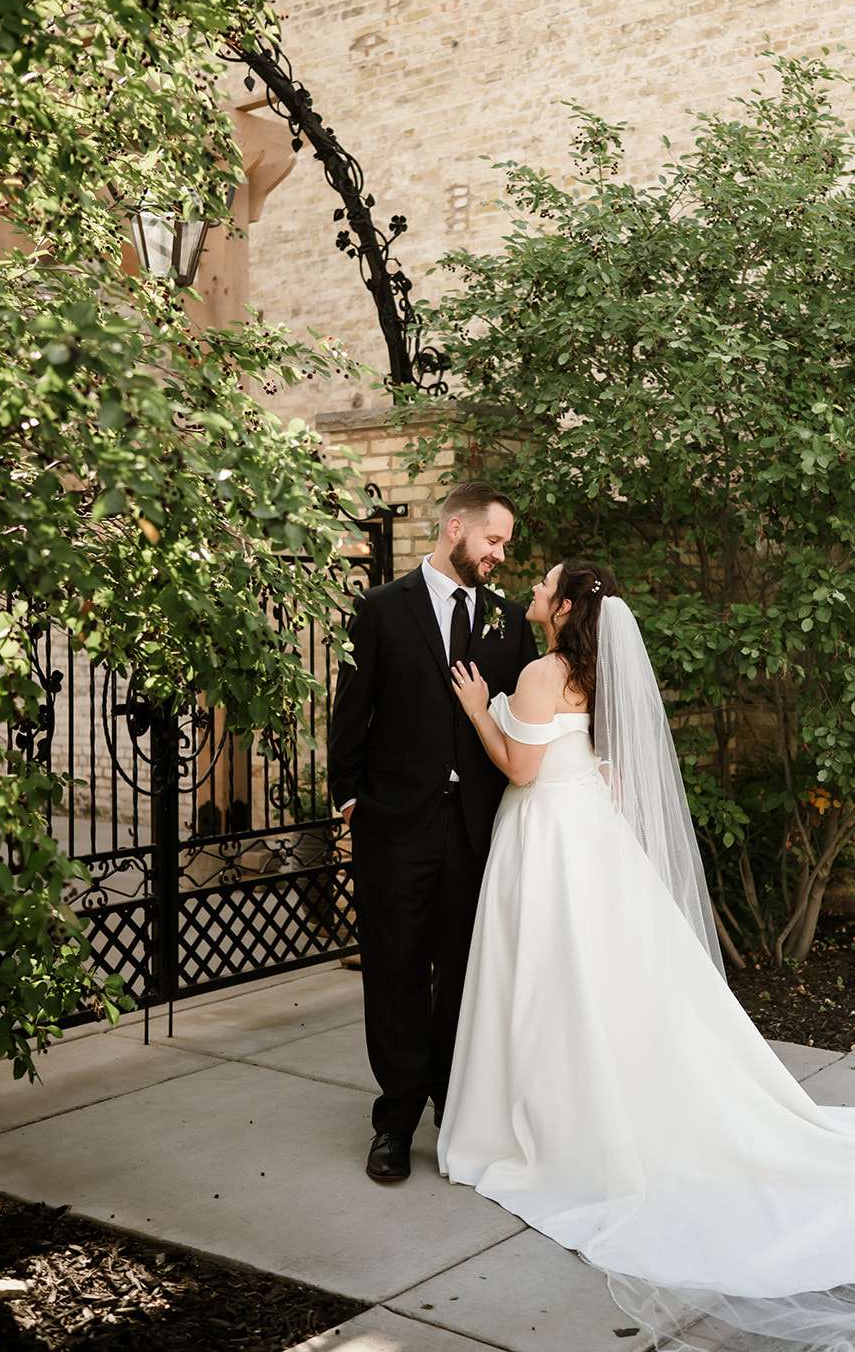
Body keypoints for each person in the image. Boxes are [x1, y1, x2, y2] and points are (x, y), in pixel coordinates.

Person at [442, 557, 855, 1352]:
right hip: (594, 841)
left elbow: (523, 769)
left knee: (551, 981)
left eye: (543, 584)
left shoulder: (543, 671)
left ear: (564, 604)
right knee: (604, 981)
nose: (532, 592)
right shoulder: (596, 670)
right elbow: (597, 761)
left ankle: (558, 1114)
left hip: (550, 840)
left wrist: (479, 710)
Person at [328, 482, 538, 1184]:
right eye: (493, 540)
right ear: (455, 528)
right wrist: (349, 800)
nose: (498, 555)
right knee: (393, 971)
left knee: (463, 972)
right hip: (392, 825)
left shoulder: (509, 621)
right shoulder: (382, 608)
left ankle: (457, 1111)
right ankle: (394, 1122)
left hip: (477, 830)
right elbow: (350, 708)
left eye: (502, 545)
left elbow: (516, 718)